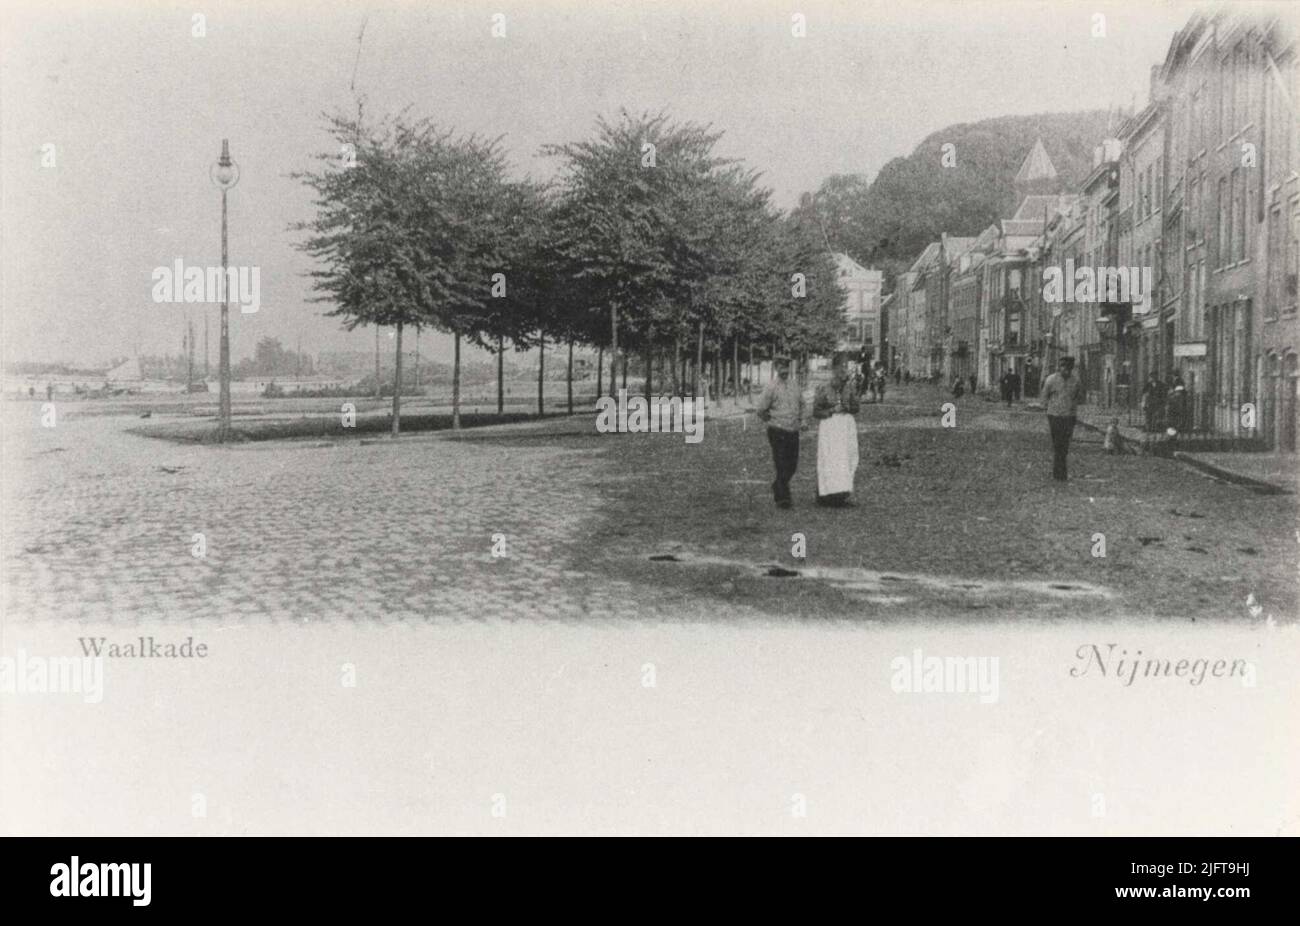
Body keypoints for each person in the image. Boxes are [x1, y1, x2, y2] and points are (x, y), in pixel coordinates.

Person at [755, 356, 806, 509]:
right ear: (776, 368)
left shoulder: (795, 385)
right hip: (778, 431)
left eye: (786, 368)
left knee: (792, 465)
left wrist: (803, 420)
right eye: (781, 368)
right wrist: (772, 421)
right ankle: (783, 498)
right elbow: (760, 409)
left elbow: (802, 404)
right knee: (781, 464)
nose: (784, 371)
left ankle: (778, 485)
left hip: (793, 430)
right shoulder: (771, 387)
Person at [812, 356, 861, 507]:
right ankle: (826, 494)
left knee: (846, 458)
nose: (843, 372)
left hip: (845, 426)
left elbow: (856, 408)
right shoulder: (824, 388)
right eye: (840, 369)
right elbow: (816, 411)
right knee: (829, 459)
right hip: (830, 426)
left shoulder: (849, 388)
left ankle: (842, 494)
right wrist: (832, 410)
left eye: (845, 369)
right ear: (834, 371)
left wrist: (848, 408)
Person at [1041, 355, 1086, 481]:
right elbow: (1044, 396)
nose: (1065, 370)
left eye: (1068, 368)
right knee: (1057, 444)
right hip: (1054, 416)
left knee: (1065, 445)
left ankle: (1061, 472)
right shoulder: (1051, 380)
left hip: (1069, 416)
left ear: (1071, 368)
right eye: (1063, 367)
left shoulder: (1076, 381)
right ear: (1059, 367)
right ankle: (1058, 473)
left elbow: (1080, 397)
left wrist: (1073, 405)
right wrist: (1047, 409)